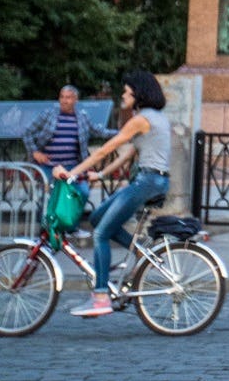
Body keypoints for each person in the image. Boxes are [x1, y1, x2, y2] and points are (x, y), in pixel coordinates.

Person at [52, 71, 172, 318]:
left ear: (138, 93)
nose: (123, 95)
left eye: (126, 91)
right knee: (97, 217)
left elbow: (107, 148)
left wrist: (72, 174)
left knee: (101, 233)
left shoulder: (141, 119)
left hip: (147, 181)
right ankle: (142, 253)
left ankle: (100, 298)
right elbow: (129, 153)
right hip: (151, 180)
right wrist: (102, 175)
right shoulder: (153, 118)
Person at [22, 85, 116, 201]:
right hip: (49, 166)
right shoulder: (48, 115)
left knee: (83, 192)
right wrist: (35, 152)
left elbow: (99, 131)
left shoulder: (82, 117)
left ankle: (71, 219)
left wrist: (122, 133)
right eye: (62, 97)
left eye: (68, 98)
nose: (64, 101)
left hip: (73, 167)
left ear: (76, 100)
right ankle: (50, 219)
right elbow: (27, 132)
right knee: (52, 196)